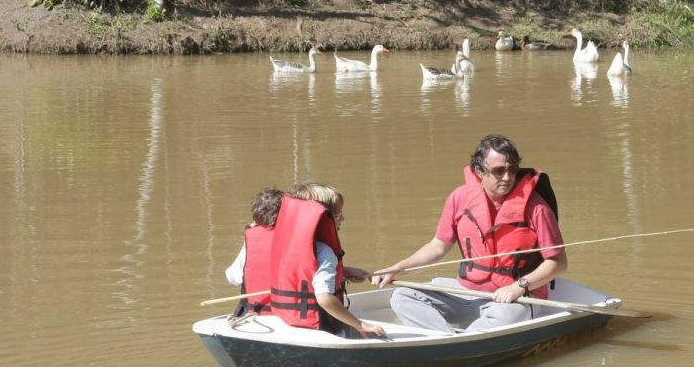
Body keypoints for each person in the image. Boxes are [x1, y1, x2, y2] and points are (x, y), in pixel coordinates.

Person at [371, 134, 567, 332]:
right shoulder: (459, 198)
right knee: (403, 296)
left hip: (514, 298)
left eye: (512, 170)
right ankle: (449, 340)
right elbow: (437, 247)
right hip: (466, 292)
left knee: (508, 315)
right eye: (499, 171)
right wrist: (396, 268)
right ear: (479, 170)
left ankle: (457, 342)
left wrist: (519, 287)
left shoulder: (537, 208)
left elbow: (558, 264)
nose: (507, 177)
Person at [270, 182, 384, 338]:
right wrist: (360, 324)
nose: (342, 218)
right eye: (337, 215)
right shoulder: (326, 253)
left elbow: (306, 274)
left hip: (286, 321)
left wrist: (343, 271)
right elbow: (324, 299)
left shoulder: (288, 243)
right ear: (323, 219)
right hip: (321, 328)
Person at [225, 187, 283, 316]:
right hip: (293, 315)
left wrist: (248, 243)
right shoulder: (296, 238)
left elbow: (233, 278)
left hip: (258, 314)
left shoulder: (253, 240)